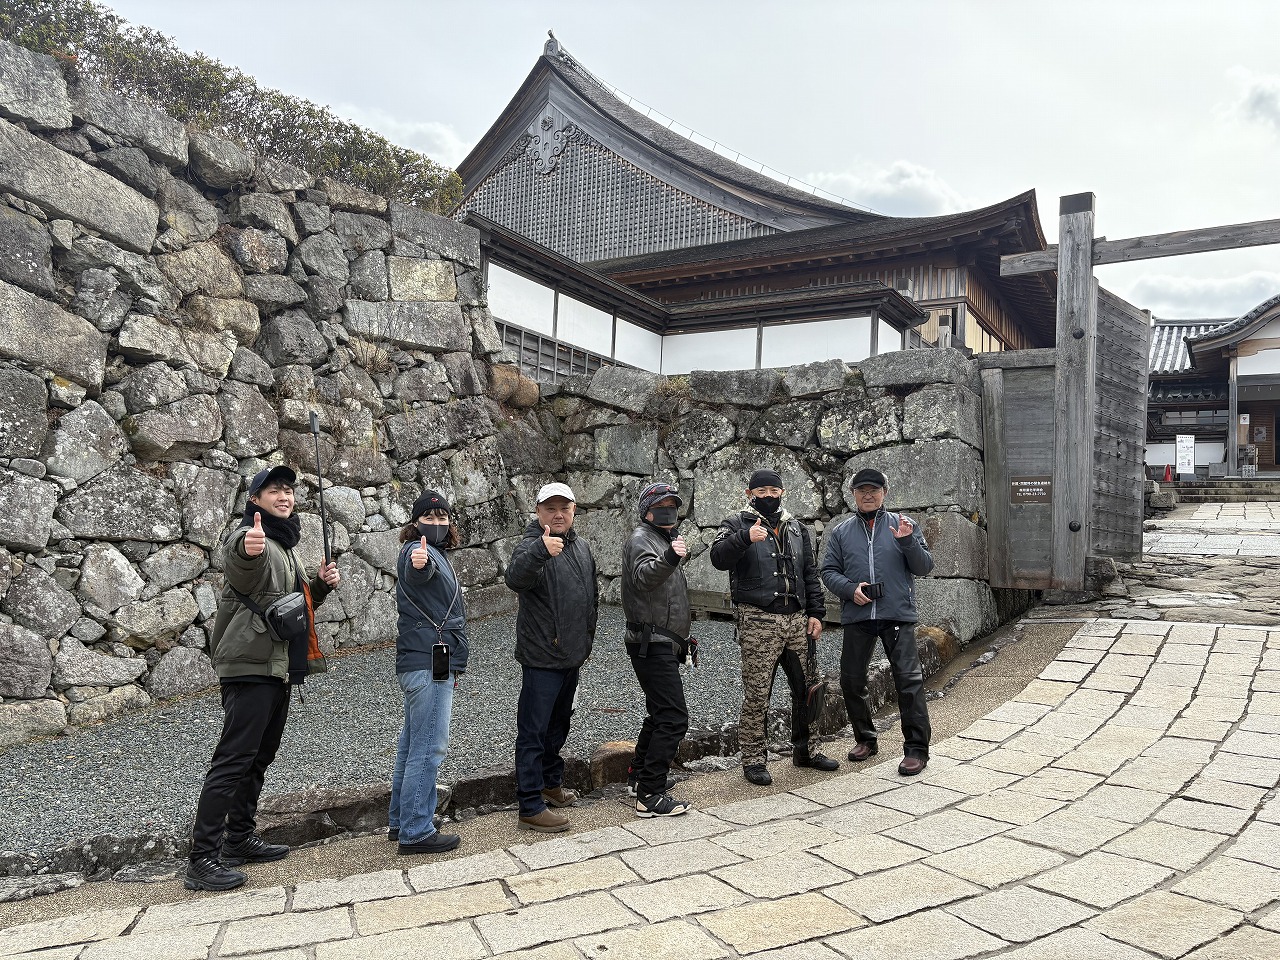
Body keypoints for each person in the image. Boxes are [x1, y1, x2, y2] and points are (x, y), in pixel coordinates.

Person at [186, 465, 341, 891]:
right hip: (249, 665)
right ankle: (202, 859)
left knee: (259, 757)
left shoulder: (284, 544)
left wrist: (319, 587)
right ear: (255, 500)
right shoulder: (251, 537)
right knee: (233, 760)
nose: (284, 496)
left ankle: (238, 839)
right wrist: (248, 548)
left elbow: (289, 605)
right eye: (274, 490)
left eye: (288, 490)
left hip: (276, 665)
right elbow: (240, 562)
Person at [710, 469, 839, 787]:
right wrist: (744, 538)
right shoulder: (735, 523)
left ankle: (807, 751)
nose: (768, 495)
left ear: (782, 492)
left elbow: (809, 573)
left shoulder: (796, 527)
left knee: (808, 689)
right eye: (761, 491)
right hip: (758, 620)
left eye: (773, 490)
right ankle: (754, 759)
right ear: (749, 494)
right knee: (757, 694)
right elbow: (718, 558)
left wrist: (816, 613)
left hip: (797, 620)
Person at [821, 467, 935, 776]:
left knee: (908, 681)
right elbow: (828, 571)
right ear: (853, 495)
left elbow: (924, 566)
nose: (868, 495)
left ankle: (916, 750)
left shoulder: (904, 524)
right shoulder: (841, 532)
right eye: (862, 490)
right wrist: (850, 590)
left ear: (884, 492)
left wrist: (908, 541)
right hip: (858, 614)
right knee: (851, 681)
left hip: (896, 614)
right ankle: (866, 739)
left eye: (874, 489)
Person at [504, 482, 598, 832]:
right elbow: (515, 578)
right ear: (538, 511)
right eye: (550, 508)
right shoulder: (532, 545)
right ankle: (530, 804)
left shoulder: (581, 546)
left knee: (559, 725)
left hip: (572, 656)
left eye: (565, 508)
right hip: (542, 657)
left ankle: (549, 783)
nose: (558, 515)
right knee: (533, 731)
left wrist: (586, 642)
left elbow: (591, 597)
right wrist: (540, 552)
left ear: (574, 510)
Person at [388, 490, 467, 855]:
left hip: (421, 660)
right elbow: (417, 571)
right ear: (415, 522)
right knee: (429, 746)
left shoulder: (437, 552)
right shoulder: (417, 552)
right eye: (429, 518)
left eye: (442, 517)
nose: (436, 523)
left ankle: (400, 821)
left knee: (411, 745)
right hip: (427, 661)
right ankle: (417, 830)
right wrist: (420, 564)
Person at [621, 482, 694, 818]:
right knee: (674, 717)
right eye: (660, 506)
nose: (668, 511)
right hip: (650, 642)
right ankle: (649, 793)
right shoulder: (642, 539)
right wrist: (670, 557)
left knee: (659, 712)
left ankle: (640, 775)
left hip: (661, 640)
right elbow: (643, 578)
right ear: (646, 511)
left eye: (672, 506)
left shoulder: (662, 538)